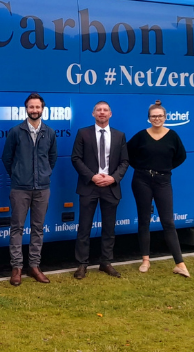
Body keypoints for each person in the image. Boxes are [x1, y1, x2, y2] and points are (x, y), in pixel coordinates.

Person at [126, 100, 190, 278]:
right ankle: (145, 260)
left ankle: (180, 264)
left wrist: (164, 168)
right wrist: (140, 167)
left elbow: (181, 156)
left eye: (160, 116)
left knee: (168, 221)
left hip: (163, 181)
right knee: (144, 220)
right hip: (142, 180)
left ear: (165, 117)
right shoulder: (141, 136)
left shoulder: (173, 136)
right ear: (148, 118)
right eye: (153, 116)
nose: (157, 119)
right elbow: (127, 153)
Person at [1, 93, 57, 286]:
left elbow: (52, 158)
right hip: (20, 189)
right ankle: (16, 268)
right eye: (31, 107)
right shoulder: (16, 131)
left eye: (37, 107)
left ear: (42, 109)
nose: (34, 110)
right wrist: (18, 175)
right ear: (26, 109)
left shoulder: (49, 132)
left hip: (42, 188)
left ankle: (34, 266)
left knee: (38, 229)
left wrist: (44, 174)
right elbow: (7, 158)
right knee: (16, 228)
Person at [71, 101, 130, 279]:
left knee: (109, 228)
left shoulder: (119, 136)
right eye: (99, 110)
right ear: (93, 114)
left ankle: (106, 262)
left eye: (105, 110)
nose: (102, 113)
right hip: (89, 186)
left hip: (110, 187)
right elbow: (76, 159)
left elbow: (124, 161)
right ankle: (82, 264)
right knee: (84, 227)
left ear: (110, 114)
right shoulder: (83, 133)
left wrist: (114, 178)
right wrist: (92, 176)